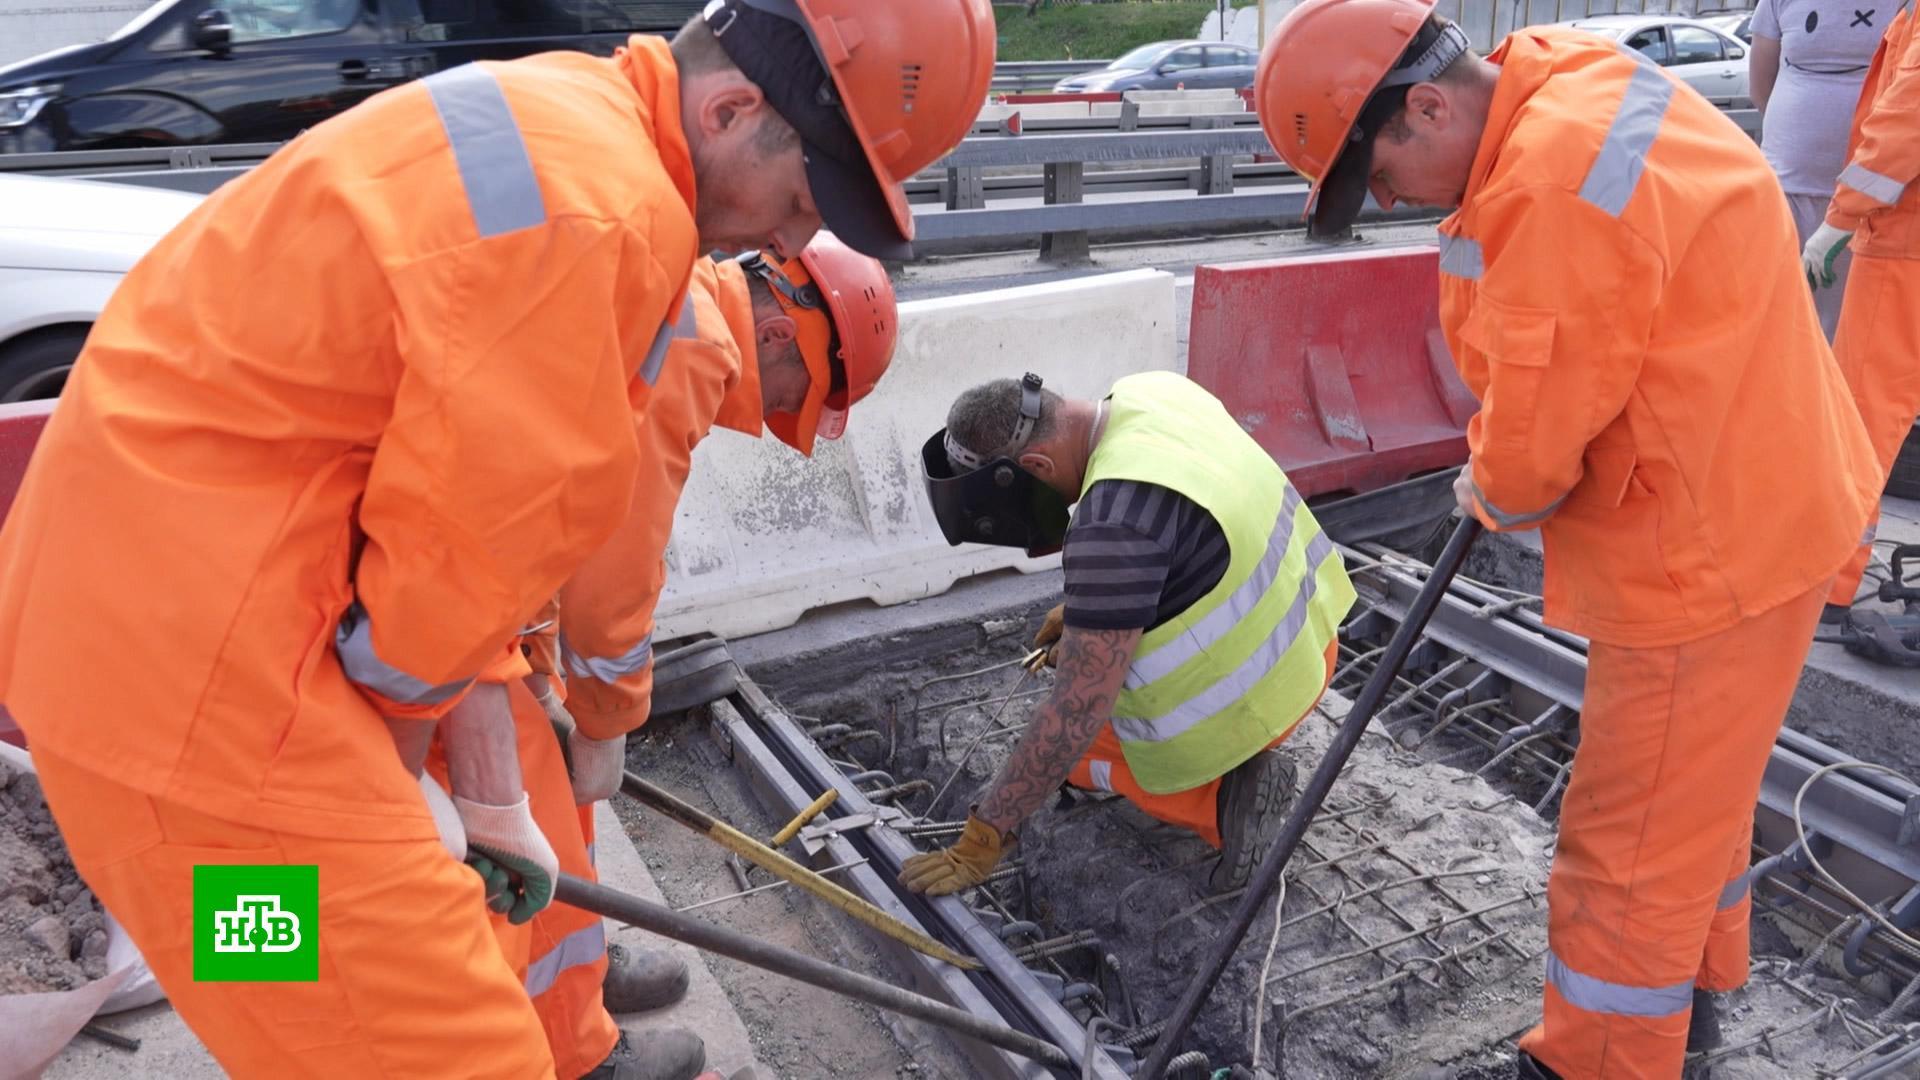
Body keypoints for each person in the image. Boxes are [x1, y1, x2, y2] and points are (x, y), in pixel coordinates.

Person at [0, 0, 991, 1073]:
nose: (796, 237)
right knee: (448, 1050)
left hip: (133, 634)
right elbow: (466, 567)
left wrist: (471, 793)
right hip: (203, 683)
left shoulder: (567, 114)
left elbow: (456, 525)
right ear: (732, 107)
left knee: (285, 987)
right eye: (803, 197)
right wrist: (428, 793)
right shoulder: (607, 222)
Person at [1252, 1, 1880, 1076]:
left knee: (1628, 838)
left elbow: (1537, 445)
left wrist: (1487, 487)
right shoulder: (1561, 73)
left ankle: (1599, 1055)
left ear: (1429, 105)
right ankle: (1690, 1003)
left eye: (1385, 181)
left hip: (1707, 546)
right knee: (1701, 806)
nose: (1395, 206)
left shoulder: (1548, 184)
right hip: (1776, 491)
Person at [500, 231, 897, 1078]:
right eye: (807, 391)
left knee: (537, 817)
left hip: (468, 603)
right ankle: (573, 1056)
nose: (786, 411)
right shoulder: (689, 342)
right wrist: (605, 722)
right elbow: (617, 567)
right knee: (276, 931)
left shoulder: (678, 301)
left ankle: (571, 979)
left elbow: (571, 506)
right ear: (786, 335)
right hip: (264, 671)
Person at [902, 371, 1355, 896]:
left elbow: (1074, 710)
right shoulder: (1153, 391)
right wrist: (1091, 607)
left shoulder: (1112, 524)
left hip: (1257, 699)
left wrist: (985, 837)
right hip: (1310, 645)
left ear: (1037, 467)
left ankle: (1224, 797)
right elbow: (1185, 529)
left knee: (1079, 755)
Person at [1804, 3, 1920, 625]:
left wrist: (1838, 221)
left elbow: (1905, 121)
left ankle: (1829, 585)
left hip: (1904, 244)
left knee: (1862, 420)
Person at [1749, 0, 1884, 340]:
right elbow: (1761, 86)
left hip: (1866, 201)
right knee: (1773, 315)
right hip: (1785, 185)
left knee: (1842, 327)